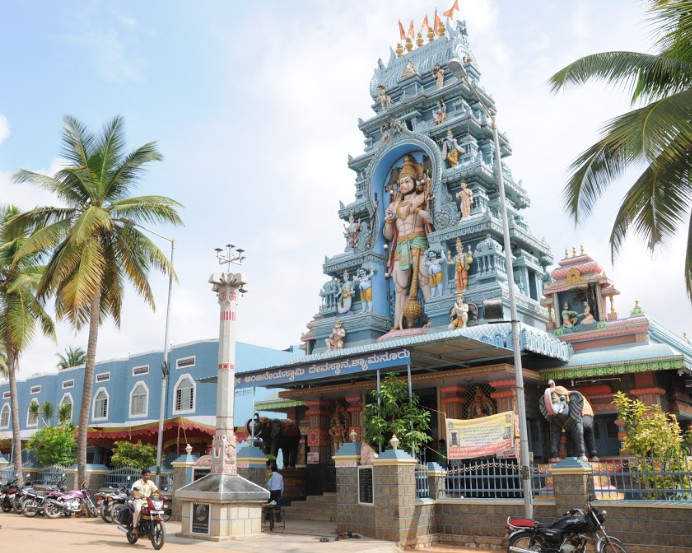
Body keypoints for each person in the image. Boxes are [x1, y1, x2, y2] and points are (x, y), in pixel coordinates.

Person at [131, 469, 159, 535]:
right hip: (138, 500)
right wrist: (138, 495)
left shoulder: (151, 483)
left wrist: (160, 496)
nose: (147, 477)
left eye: (149, 475)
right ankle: (134, 527)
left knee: (157, 509)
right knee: (138, 510)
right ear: (142, 475)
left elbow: (155, 491)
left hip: (148, 501)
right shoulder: (137, 483)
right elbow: (134, 492)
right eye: (146, 475)